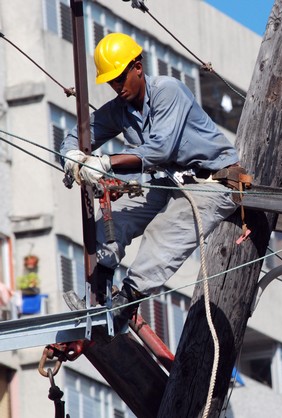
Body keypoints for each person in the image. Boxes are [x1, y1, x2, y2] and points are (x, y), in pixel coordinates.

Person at [60, 33, 241, 328]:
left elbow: (160, 149)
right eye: (111, 82)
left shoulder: (168, 91)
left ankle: (126, 301)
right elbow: (78, 136)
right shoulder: (120, 109)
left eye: (120, 78)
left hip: (212, 184)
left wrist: (105, 163)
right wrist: (72, 158)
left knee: (164, 232)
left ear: (138, 67)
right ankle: (99, 293)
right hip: (167, 182)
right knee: (111, 223)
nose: (116, 87)